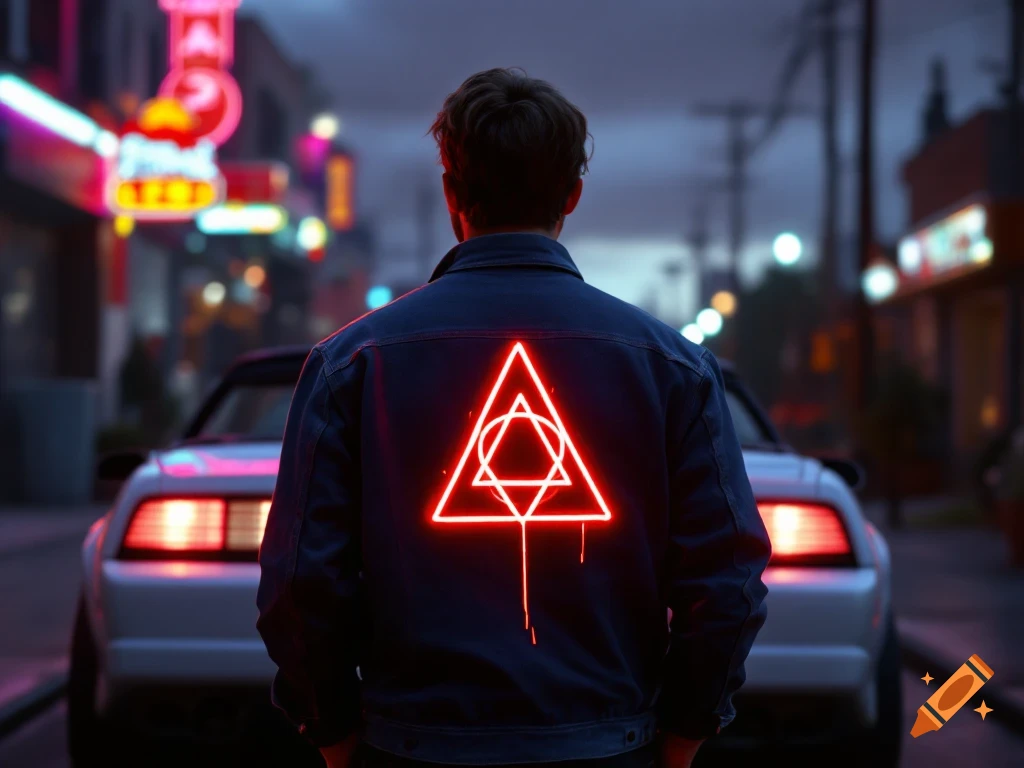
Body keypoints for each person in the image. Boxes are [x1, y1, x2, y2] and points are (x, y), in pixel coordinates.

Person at [257, 67, 771, 768]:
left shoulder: (354, 362)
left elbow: (297, 583)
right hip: (610, 745)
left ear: (451, 193)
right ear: (572, 195)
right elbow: (727, 581)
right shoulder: (673, 367)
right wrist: (684, 734)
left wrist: (332, 731)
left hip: (410, 746)